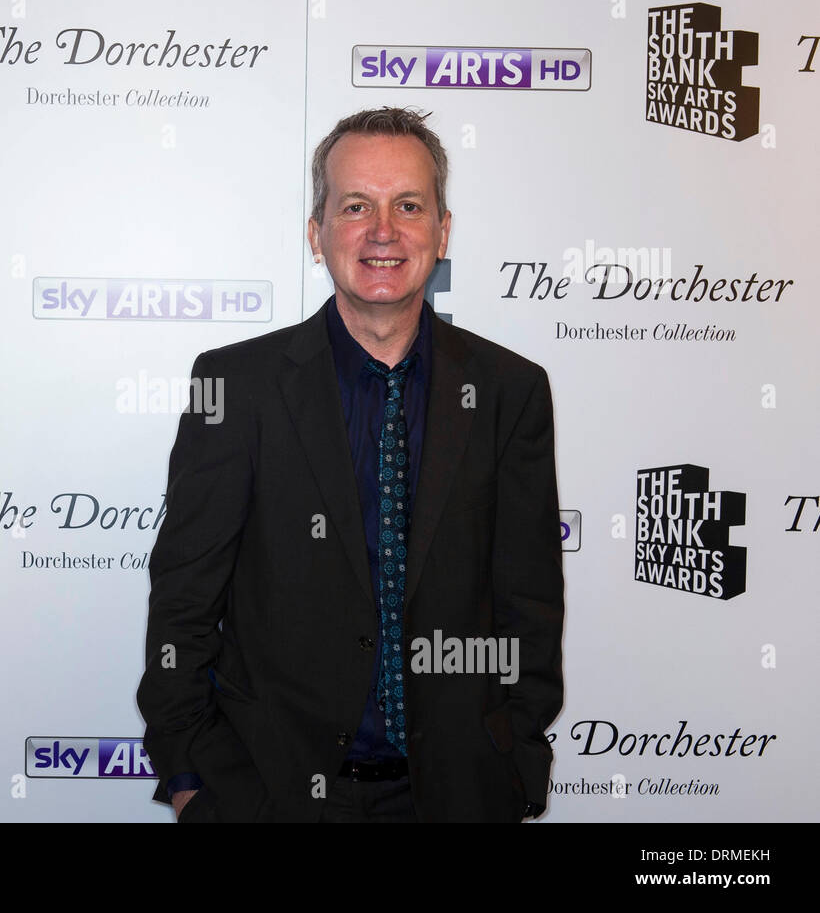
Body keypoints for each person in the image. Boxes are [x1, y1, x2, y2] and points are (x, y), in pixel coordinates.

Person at [136, 107, 564, 822]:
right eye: (356, 206)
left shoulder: (509, 391)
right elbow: (184, 595)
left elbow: (529, 601)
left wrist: (514, 758)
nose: (383, 231)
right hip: (268, 791)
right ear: (317, 233)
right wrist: (191, 774)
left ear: (443, 231)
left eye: (408, 206)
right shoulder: (237, 387)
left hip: (458, 792)